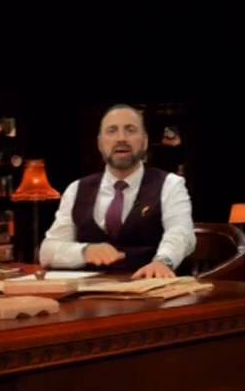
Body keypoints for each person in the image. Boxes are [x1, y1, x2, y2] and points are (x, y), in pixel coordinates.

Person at [39, 104, 196, 278]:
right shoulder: (76, 189)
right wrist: (84, 251)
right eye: (112, 131)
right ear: (100, 143)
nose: (121, 138)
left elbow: (181, 233)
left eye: (130, 130)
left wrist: (163, 261)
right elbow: (47, 251)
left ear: (144, 141)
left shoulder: (170, 184)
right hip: (90, 291)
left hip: (149, 287)